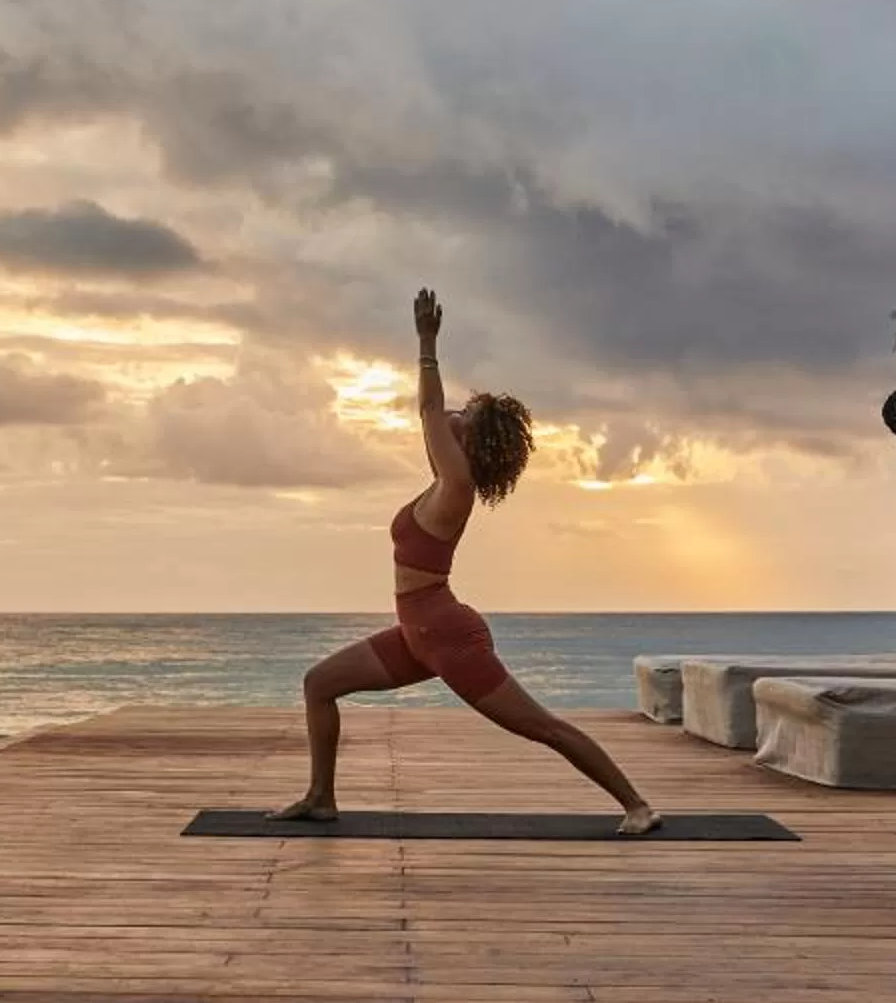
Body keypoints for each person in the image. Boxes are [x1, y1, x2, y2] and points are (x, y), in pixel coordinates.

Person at [271, 288, 662, 835]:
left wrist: (427, 343)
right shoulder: (443, 480)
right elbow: (430, 420)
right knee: (320, 684)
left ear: (469, 439)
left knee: (541, 727)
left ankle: (637, 804)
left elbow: (429, 408)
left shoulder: (457, 486)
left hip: (447, 636)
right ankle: (320, 796)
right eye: (458, 407)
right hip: (418, 632)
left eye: (466, 413)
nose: (453, 411)